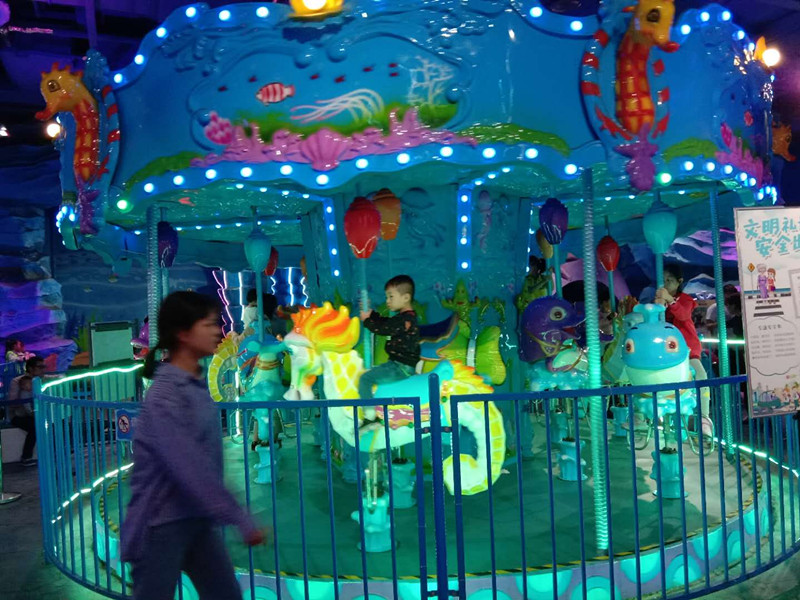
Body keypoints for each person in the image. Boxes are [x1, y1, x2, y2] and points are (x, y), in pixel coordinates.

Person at [120, 291, 265, 600]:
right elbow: (190, 467)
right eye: (208, 324)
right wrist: (239, 517)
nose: (217, 331)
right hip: (160, 523)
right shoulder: (166, 395)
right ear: (183, 333)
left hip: (195, 518)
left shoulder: (194, 385)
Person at [656, 264, 712, 436]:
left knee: (701, 375)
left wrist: (670, 300)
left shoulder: (686, 300)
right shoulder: (658, 302)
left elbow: (683, 315)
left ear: (679, 281)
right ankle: (645, 415)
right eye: (663, 280)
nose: (666, 284)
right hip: (666, 351)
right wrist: (658, 305)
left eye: (669, 280)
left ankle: (704, 417)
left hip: (687, 349)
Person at [358, 275, 421, 409]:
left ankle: (369, 412)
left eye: (391, 297)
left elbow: (382, 328)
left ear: (406, 298)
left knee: (365, 379)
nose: (387, 301)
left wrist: (367, 320)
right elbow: (387, 323)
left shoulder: (404, 320)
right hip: (399, 365)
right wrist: (371, 314)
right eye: (387, 297)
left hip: (399, 367)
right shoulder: (406, 318)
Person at [8, 356, 46, 466]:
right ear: (30, 368)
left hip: (32, 413)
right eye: (40, 367)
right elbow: (12, 403)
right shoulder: (18, 382)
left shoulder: (40, 379)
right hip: (18, 416)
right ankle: (26, 457)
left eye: (44, 367)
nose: (43, 369)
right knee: (34, 427)